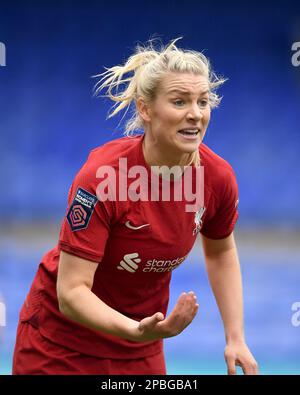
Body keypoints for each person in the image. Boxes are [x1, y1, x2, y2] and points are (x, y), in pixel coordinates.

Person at [12, 37, 259, 375]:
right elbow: (71, 293)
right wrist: (136, 330)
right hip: (60, 345)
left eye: (203, 102)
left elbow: (220, 251)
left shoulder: (217, 178)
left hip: (140, 349)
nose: (195, 114)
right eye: (179, 101)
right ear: (145, 109)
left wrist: (236, 337)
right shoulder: (101, 178)